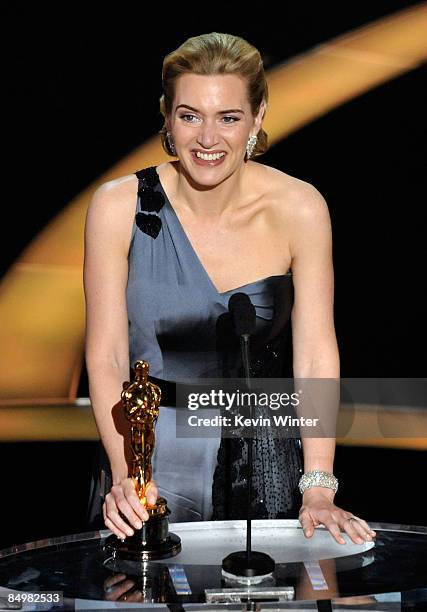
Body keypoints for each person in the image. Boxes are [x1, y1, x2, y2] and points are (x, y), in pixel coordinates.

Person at [84, 32, 376, 546]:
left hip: (264, 456)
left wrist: (319, 485)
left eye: (228, 118)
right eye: (190, 115)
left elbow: (313, 357)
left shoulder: (301, 208)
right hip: (148, 454)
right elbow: (107, 357)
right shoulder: (117, 206)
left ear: (258, 117)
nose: (207, 139)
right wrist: (128, 475)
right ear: (167, 117)